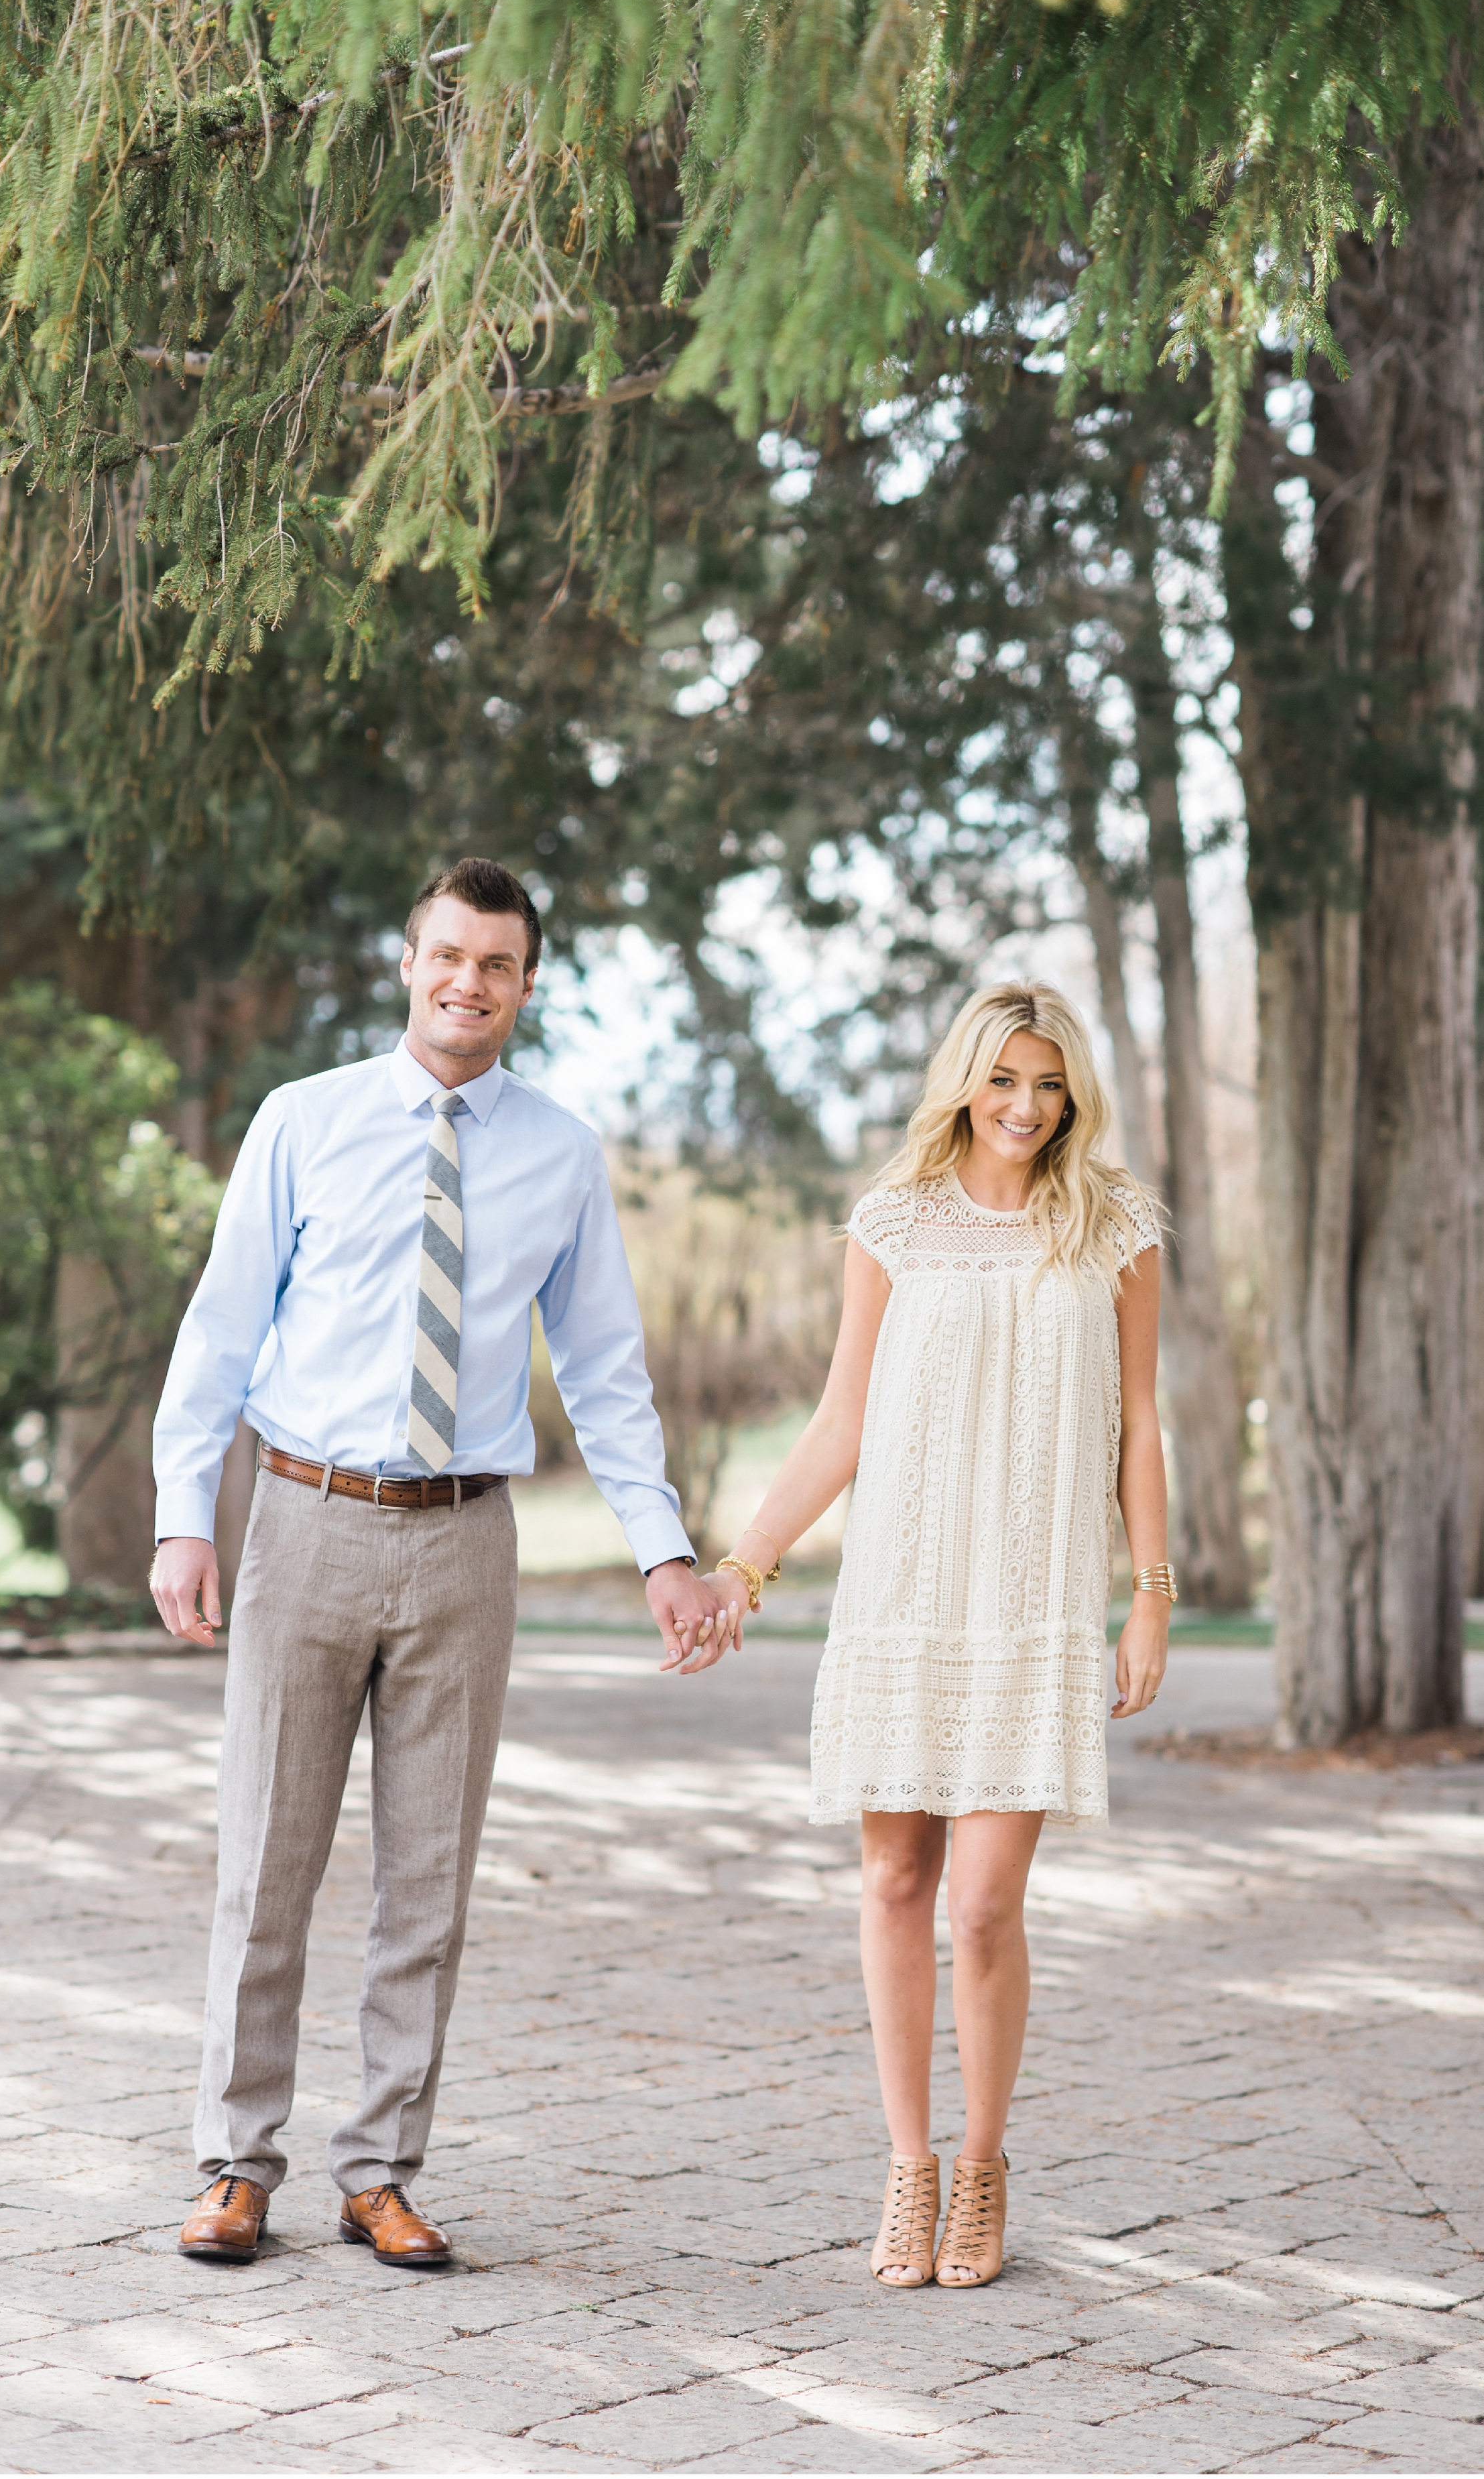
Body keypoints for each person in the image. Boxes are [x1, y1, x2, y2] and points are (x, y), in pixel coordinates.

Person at [151, 857, 725, 2269]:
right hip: (305, 1520)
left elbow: (601, 1369)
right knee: (265, 1865)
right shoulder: (305, 1121)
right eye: (447, 955)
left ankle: (381, 2171)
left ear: (527, 986)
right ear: (407, 962)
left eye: (499, 965)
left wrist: (661, 1546)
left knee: (428, 1881)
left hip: (467, 1540)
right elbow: (222, 1329)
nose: (468, 982)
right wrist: (184, 1511)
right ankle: (236, 2164)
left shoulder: (559, 1152)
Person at [699, 980, 1171, 2290]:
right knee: (895, 1884)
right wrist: (745, 1562)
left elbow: (1139, 1426)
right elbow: (840, 1419)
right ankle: (905, 2169)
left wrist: (1149, 1593)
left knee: (980, 1905)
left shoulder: (1115, 1229)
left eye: (1049, 1085)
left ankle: (982, 2166)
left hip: (1027, 1606)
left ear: (1073, 1093)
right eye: (1004, 1080)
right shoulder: (892, 1225)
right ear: (964, 1078)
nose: (1025, 1108)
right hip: (900, 1594)